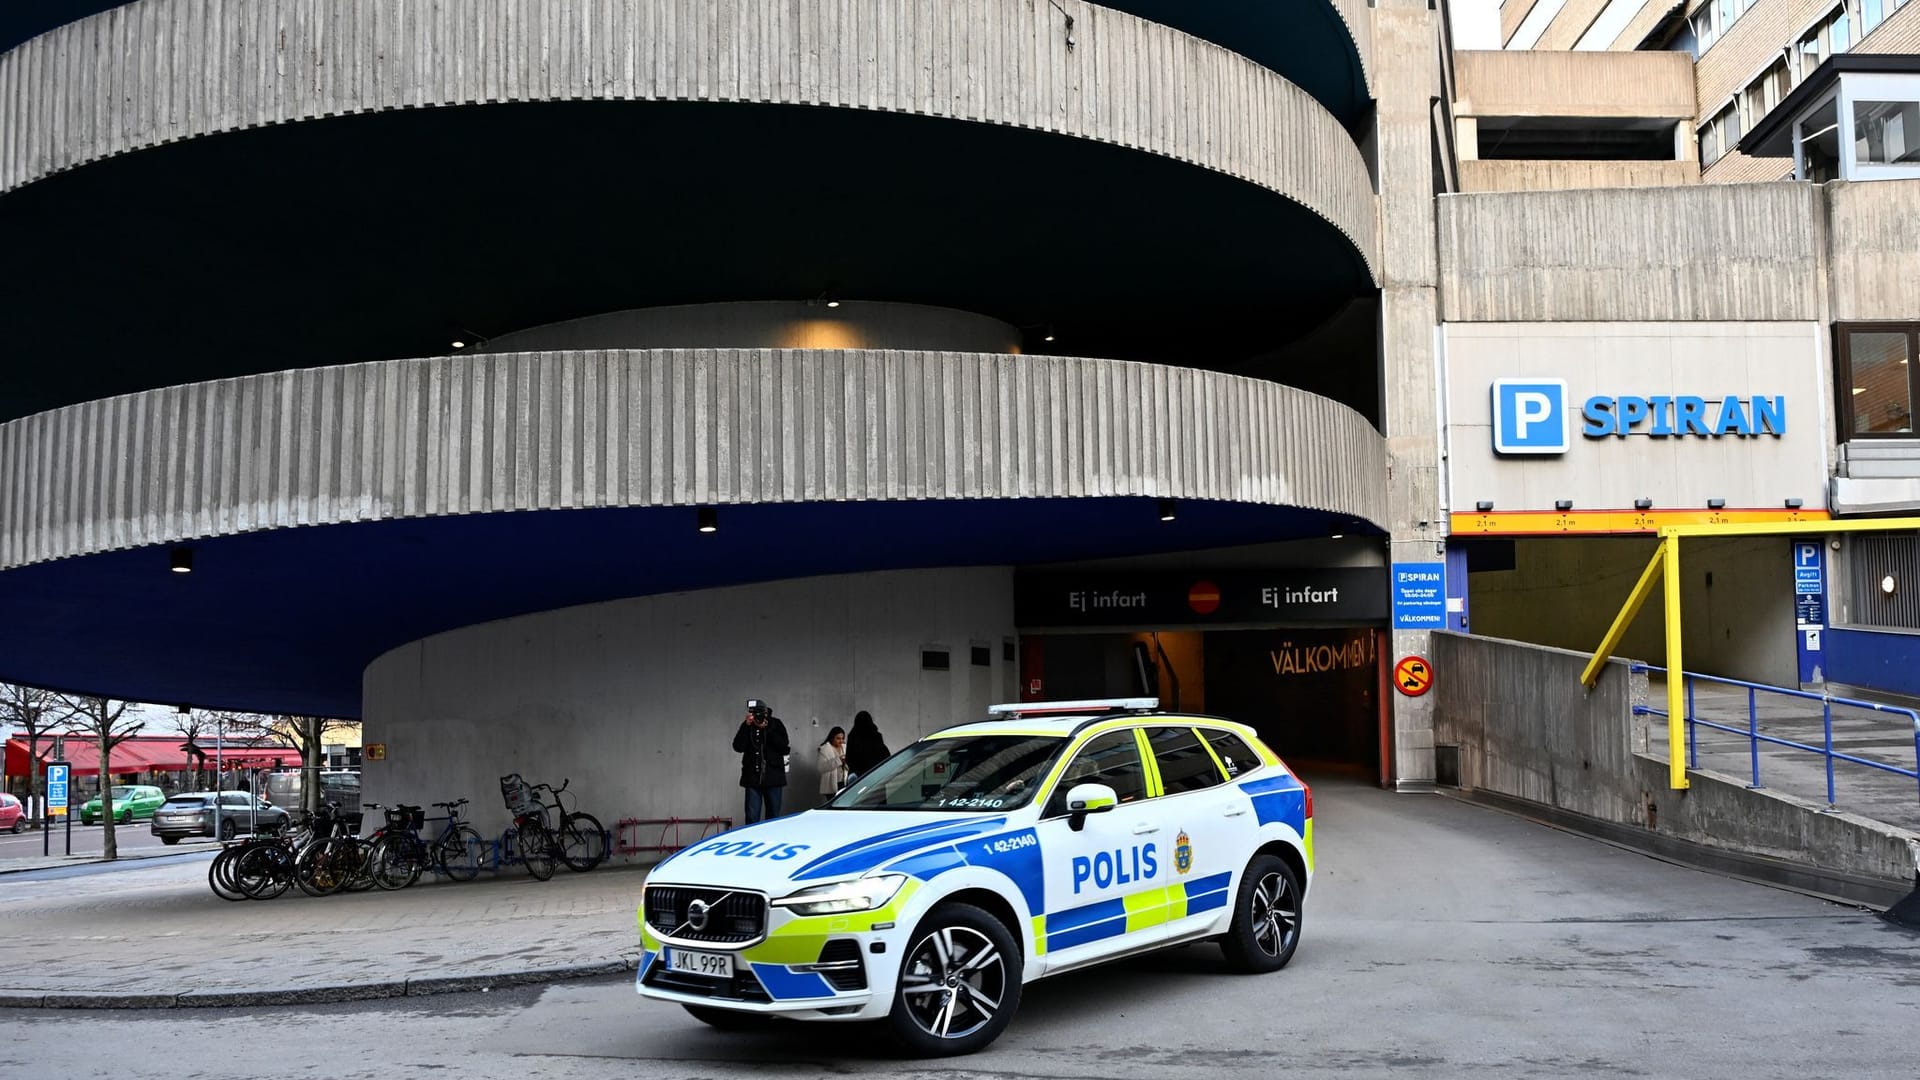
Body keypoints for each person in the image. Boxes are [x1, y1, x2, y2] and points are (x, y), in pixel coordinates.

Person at [733, 698, 791, 823]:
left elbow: (784, 747)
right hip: (752, 778)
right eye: (753, 712)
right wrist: (746, 726)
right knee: (751, 816)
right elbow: (738, 747)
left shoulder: (775, 724)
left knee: (773, 817)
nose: (756, 716)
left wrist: (767, 729)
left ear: (766, 712)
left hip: (773, 777)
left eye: (758, 712)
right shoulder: (748, 726)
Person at [845, 710, 890, 778]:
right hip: (876, 774)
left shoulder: (852, 737)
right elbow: (884, 755)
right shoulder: (876, 736)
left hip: (859, 777)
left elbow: (849, 759)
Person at [817, 726, 848, 798]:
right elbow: (821, 768)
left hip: (844, 782)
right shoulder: (825, 749)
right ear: (832, 738)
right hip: (831, 784)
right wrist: (839, 760)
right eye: (838, 738)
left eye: (842, 738)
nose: (841, 741)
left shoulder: (845, 747)